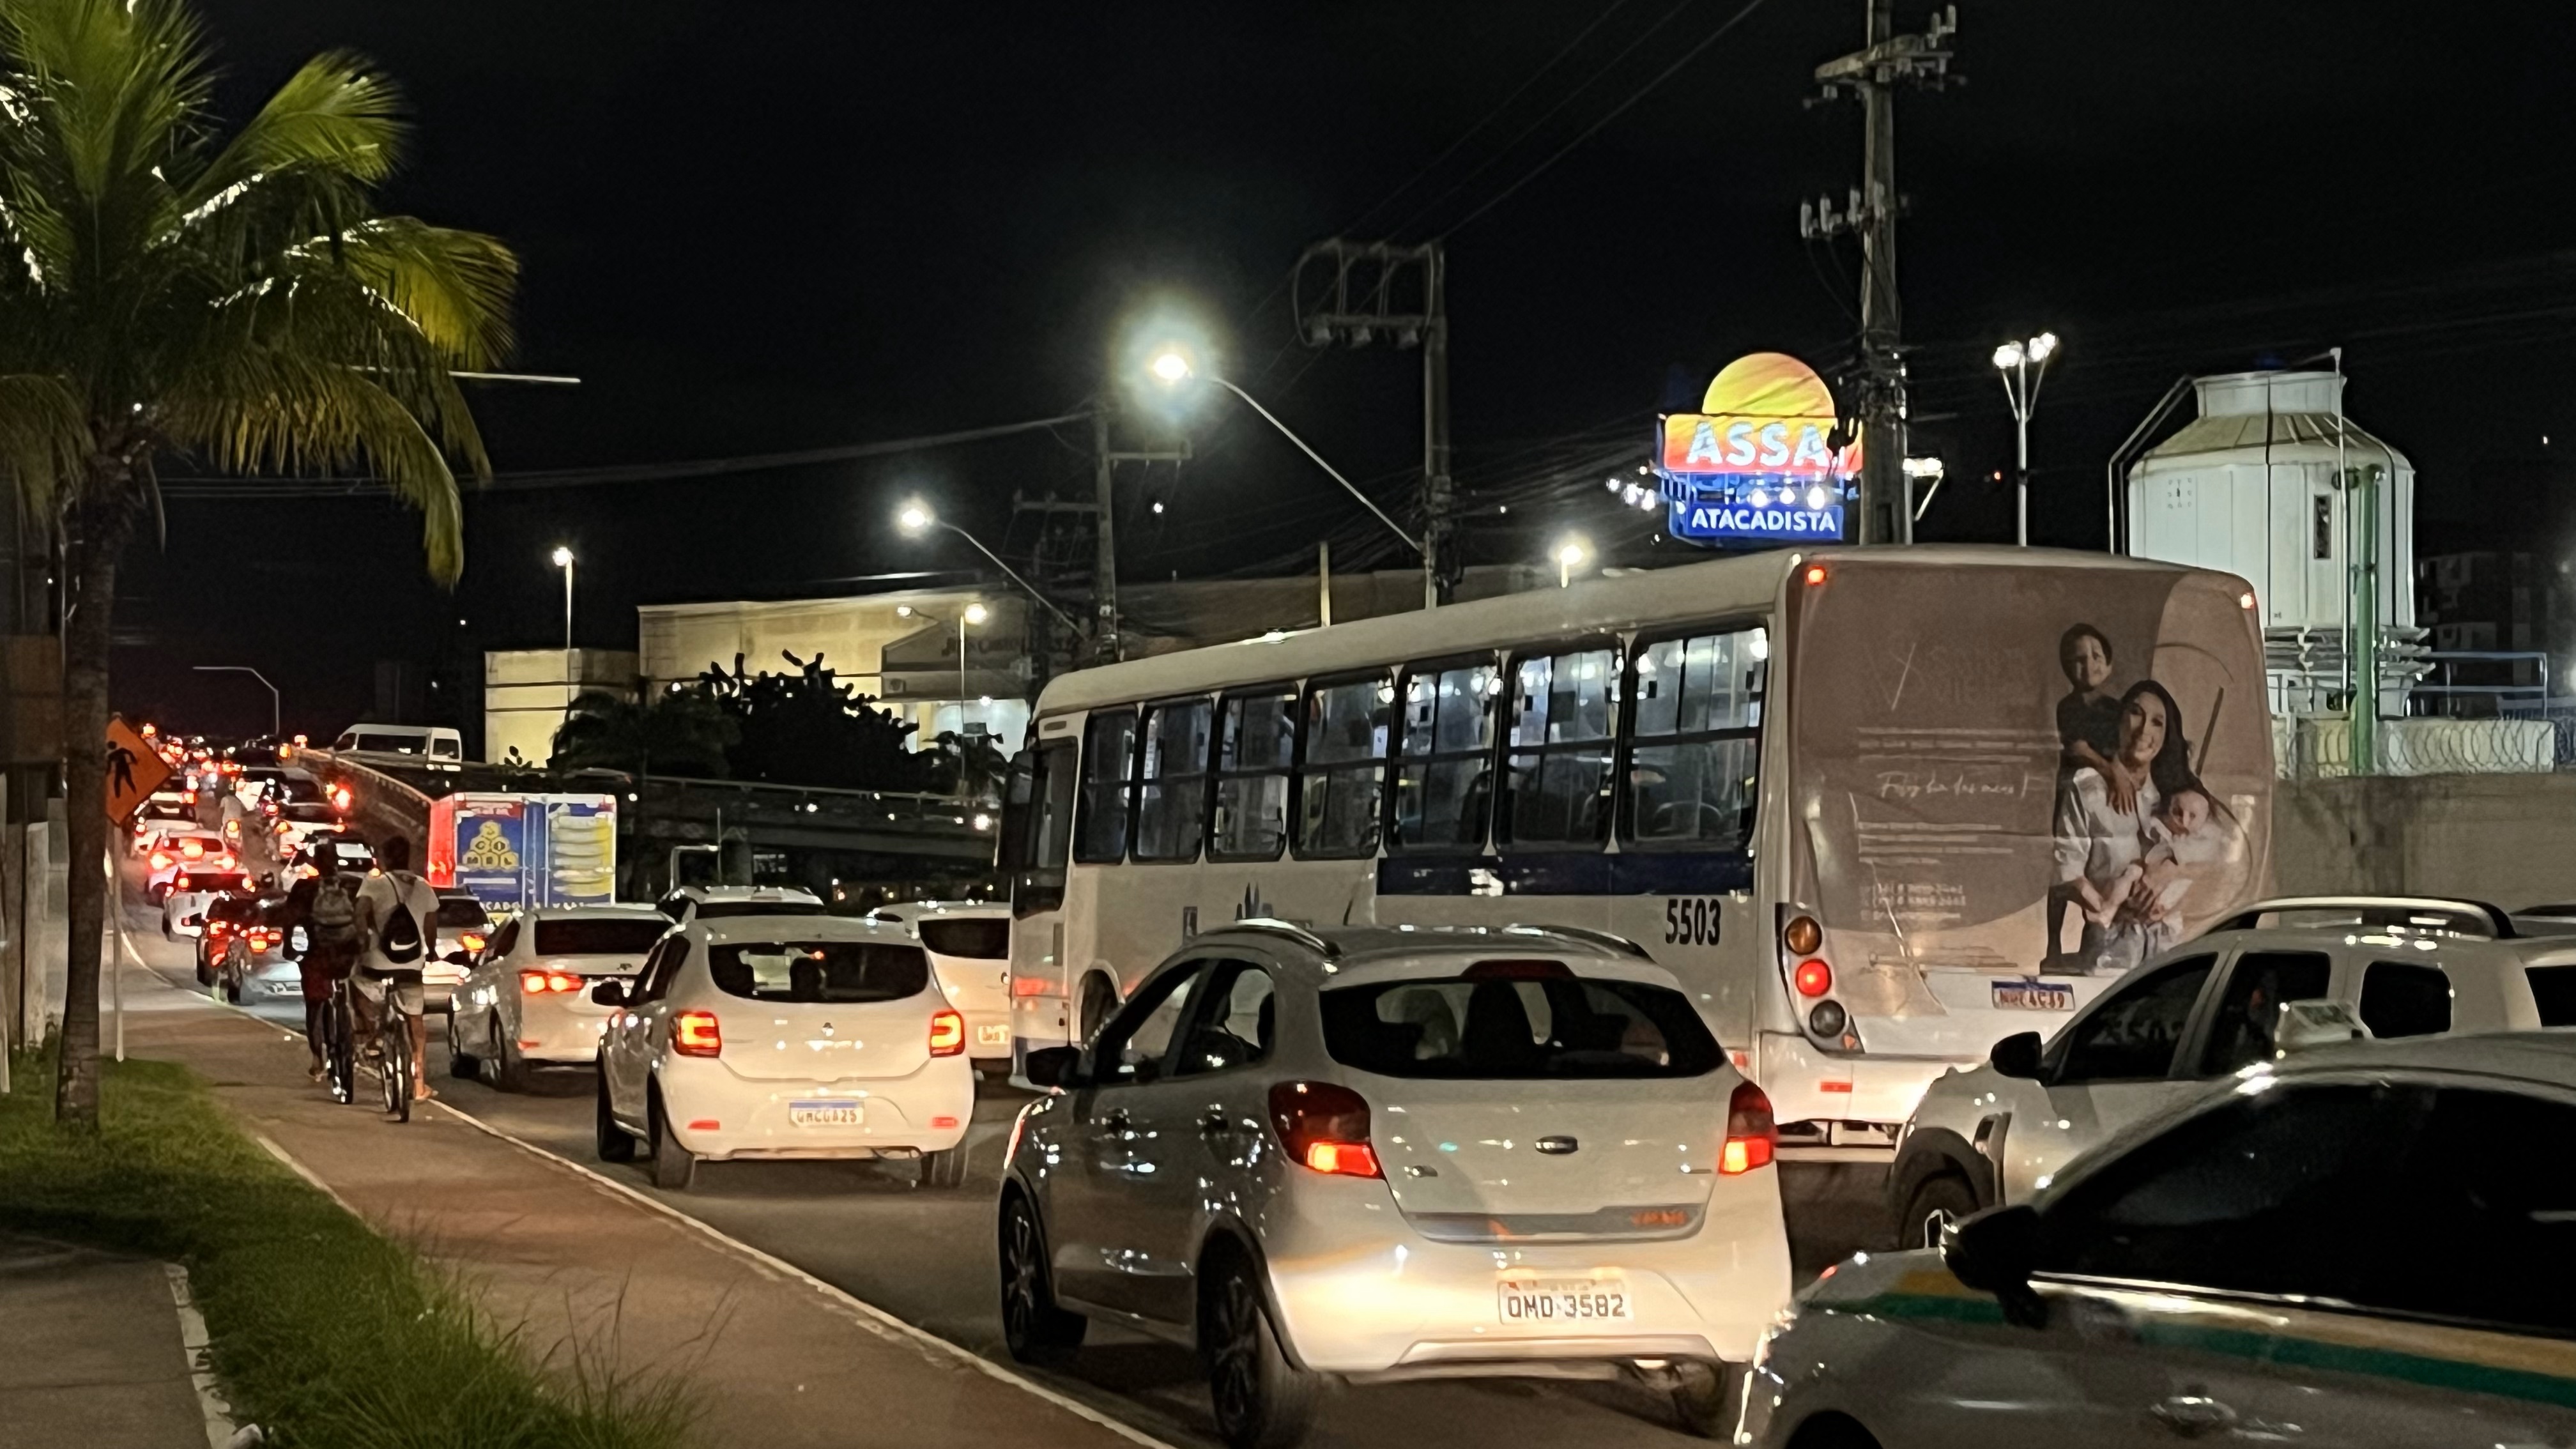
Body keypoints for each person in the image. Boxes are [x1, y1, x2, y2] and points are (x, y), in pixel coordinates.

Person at [2050, 679, 2193, 973]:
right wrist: (2110, 904)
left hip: (2171, 958)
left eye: (2157, 722)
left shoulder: (2180, 797)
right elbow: (2067, 871)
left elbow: (2221, 859)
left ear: (2167, 736)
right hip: (2108, 957)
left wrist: (2171, 870)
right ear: (2119, 720)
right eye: (2136, 713)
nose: (2144, 731)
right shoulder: (2088, 787)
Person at [353, 834, 441, 1103]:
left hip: (378, 962)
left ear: (385, 858)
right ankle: (419, 1084)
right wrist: (430, 952)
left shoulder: (374, 883)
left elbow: (360, 914)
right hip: (412, 964)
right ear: (409, 858)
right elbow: (431, 928)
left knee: (359, 987)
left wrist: (363, 940)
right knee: (416, 1021)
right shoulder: (424, 887)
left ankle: (374, 1035)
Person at [282, 839, 360, 1081]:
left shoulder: (304, 888)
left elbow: (290, 919)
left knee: (315, 1006)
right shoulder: (353, 885)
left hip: (316, 953)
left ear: (315, 862)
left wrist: (289, 947)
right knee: (356, 1000)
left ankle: (318, 1059)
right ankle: (356, 1046)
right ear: (338, 862)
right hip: (348, 954)